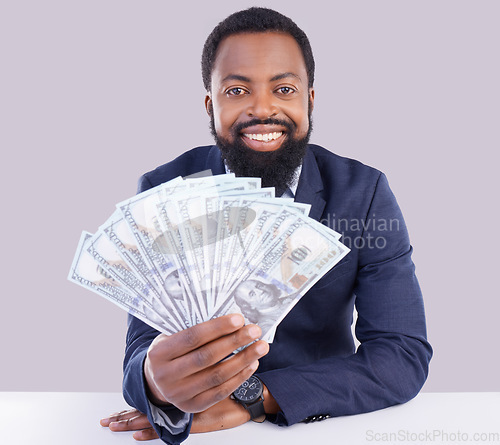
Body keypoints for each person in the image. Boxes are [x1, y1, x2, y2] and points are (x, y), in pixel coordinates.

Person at [100, 7, 432, 444]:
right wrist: (156, 387)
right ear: (211, 103)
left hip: (330, 426)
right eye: (237, 90)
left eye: (284, 88)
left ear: (309, 100)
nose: (262, 107)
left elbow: (402, 355)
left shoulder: (363, 193)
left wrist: (255, 400)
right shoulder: (165, 191)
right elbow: (141, 352)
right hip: (196, 429)